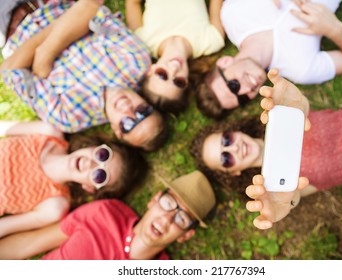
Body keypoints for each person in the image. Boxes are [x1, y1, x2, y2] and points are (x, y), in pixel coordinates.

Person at [190, 68, 342, 229]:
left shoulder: (276, 118)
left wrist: (296, 102)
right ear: (233, 172)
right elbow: (294, 196)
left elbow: (302, 108)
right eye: (226, 159)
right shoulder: (275, 186)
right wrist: (283, 203)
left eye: (226, 140)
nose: (234, 148)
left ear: (232, 131)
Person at [0, 0, 168, 151]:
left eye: (128, 124)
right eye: (142, 111)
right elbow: (90, 7)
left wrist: (70, 23)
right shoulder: (136, 61)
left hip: (7, 27)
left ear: (117, 132)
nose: (129, 110)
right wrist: (45, 53)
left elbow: (10, 69)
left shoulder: (68, 116)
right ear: (148, 103)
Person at [195, 0, 342, 118]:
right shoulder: (300, 69)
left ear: (225, 62)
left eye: (234, 86)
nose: (247, 89)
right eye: (243, 98)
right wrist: (334, 29)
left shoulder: (231, 16)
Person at [0, 170, 216, 260]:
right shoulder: (105, 214)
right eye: (168, 203)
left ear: (185, 235)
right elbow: (33, 242)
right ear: (154, 199)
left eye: (181, 219)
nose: (166, 219)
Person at [0, 120, 147, 238]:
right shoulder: (48, 132)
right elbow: (4, 127)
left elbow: (4, 227)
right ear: (94, 146)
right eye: (102, 155)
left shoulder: (54, 206)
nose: (91, 163)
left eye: (100, 175)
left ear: (89, 188)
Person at [125, 0, 225, 114]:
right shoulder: (212, 41)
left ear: (150, 70)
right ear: (186, 82)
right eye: (178, 82)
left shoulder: (142, 42)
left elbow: (132, 3)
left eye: (162, 75)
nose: (174, 69)